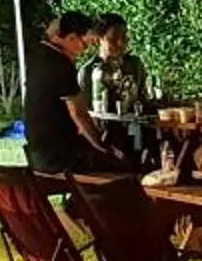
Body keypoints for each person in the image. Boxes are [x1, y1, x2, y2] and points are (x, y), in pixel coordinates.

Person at [23, 11, 129, 174]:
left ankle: (78, 199)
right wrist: (102, 147)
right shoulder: (60, 64)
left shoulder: (37, 55)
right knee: (123, 165)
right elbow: (78, 113)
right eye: (84, 44)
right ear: (72, 37)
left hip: (38, 154)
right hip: (60, 157)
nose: (84, 50)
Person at [83, 13, 153, 165]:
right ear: (98, 39)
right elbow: (84, 114)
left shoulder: (134, 65)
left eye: (124, 37)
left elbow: (143, 98)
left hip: (137, 132)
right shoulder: (89, 72)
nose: (121, 43)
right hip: (105, 139)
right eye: (113, 39)